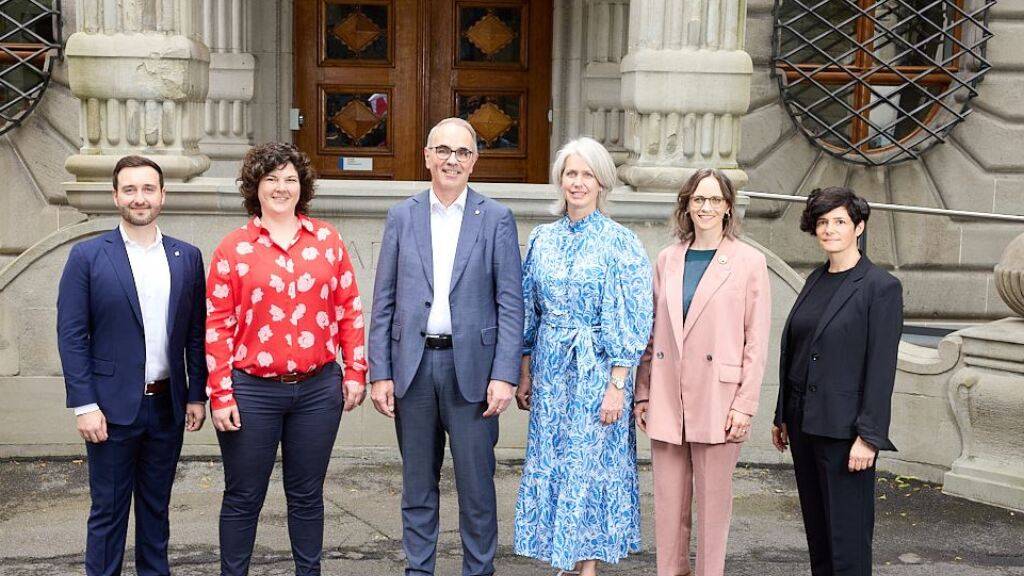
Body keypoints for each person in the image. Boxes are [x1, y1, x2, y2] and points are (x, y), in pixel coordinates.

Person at [367, 117, 524, 576]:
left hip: (472, 371)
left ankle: (479, 570)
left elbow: (510, 304)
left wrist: (504, 375)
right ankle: (420, 570)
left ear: (474, 160)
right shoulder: (402, 215)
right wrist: (381, 372)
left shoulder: (495, 218)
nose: (451, 160)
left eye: (462, 152)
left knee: (477, 487)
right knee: (417, 485)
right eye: (443, 150)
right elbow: (385, 300)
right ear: (427, 156)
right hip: (413, 370)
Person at [205, 142, 367, 576]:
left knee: (307, 494)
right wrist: (220, 395)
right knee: (243, 495)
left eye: (290, 179)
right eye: (271, 178)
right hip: (252, 390)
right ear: (255, 186)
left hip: (318, 389)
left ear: (302, 187)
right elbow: (217, 325)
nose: (281, 187)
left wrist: (355, 370)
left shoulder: (327, 240)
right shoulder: (233, 248)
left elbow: (348, 307)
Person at [57, 155, 208, 576]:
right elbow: (71, 336)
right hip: (109, 409)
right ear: (115, 196)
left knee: (156, 511)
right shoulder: (87, 257)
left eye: (147, 189)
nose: (139, 198)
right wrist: (84, 404)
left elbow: (196, 333)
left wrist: (197, 394)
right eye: (129, 189)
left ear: (162, 195)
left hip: (167, 407)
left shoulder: (187, 257)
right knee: (108, 513)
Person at [513, 137, 653, 576]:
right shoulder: (542, 238)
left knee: (590, 466)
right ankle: (563, 560)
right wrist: (524, 371)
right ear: (560, 180)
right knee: (554, 462)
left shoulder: (620, 242)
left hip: (598, 369)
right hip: (552, 369)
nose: (577, 182)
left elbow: (635, 319)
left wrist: (618, 386)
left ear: (602, 182)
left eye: (586, 174)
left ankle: (586, 567)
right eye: (570, 173)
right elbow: (527, 308)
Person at [634, 169, 771, 576]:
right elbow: (650, 332)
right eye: (698, 200)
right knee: (668, 506)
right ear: (686, 205)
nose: (705, 207)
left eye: (714, 200)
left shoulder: (749, 262)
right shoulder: (668, 258)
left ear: (728, 206)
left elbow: (756, 342)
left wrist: (745, 405)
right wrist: (643, 393)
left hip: (719, 397)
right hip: (667, 395)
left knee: (714, 507)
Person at [771, 186, 903, 576]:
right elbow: (796, 350)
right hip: (804, 423)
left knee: (848, 542)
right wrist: (782, 414)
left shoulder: (880, 287)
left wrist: (870, 436)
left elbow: (881, 368)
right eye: (823, 222)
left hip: (847, 434)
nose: (829, 229)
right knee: (820, 537)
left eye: (839, 221)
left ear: (858, 227)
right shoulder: (815, 278)